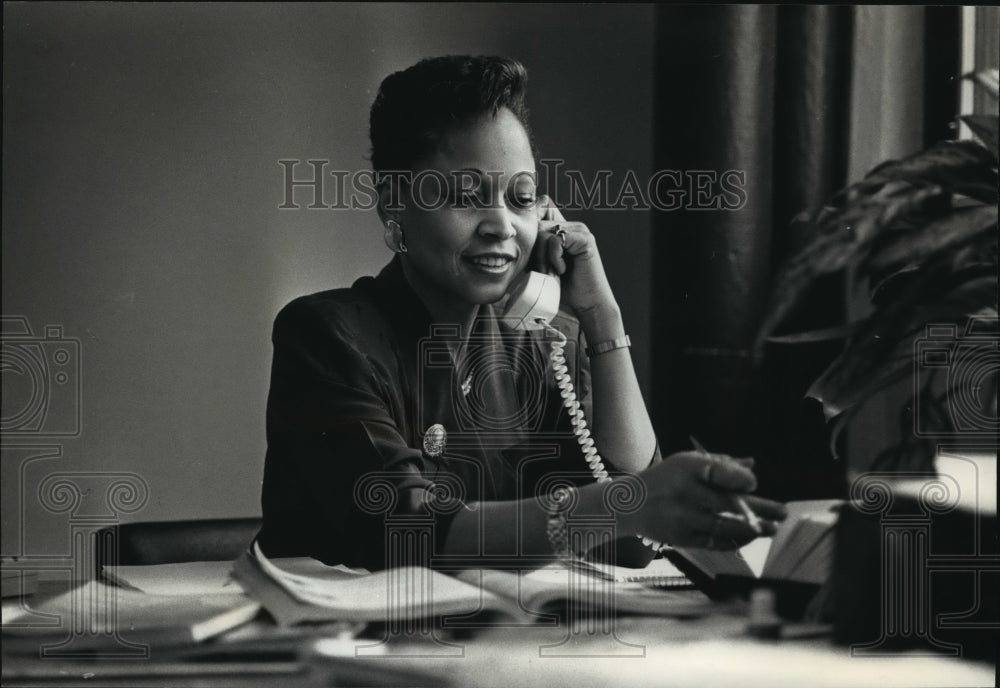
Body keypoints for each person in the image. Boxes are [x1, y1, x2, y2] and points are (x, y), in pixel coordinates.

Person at [258, 55, 786, 570]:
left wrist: (604, 319)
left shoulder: (542, 343)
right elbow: (404, 526)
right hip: (340, 642)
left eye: (522, 197)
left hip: (489, 643)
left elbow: (629, 547)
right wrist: (624, 507)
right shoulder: (328, 337)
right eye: (466, 196)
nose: (502, 225)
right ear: (394, 204)